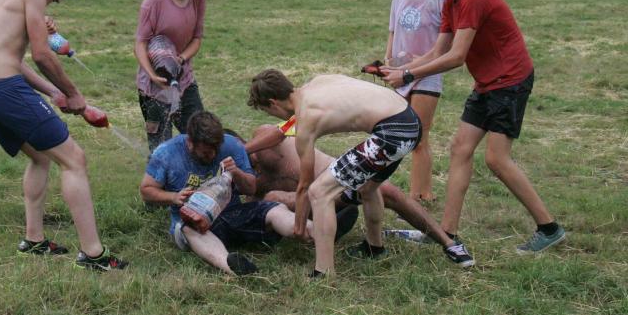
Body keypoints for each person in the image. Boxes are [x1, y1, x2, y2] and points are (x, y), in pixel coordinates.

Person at [381, 0, 565, 254]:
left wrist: (410, 76)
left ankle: (549, 228)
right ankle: (446, 232)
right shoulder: (451, 4)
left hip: (511, 81)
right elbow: (438, 51)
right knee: (460, 149)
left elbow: (455, 57)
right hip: (487, 83)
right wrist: (401, 69)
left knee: (496, 159)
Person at [0, 0, 127, 272]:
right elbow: (41, 55)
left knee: (41, 157)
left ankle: (34, 239)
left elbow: (14, 58)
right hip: (4, 89)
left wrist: (53, 92)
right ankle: (94, 254)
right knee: (74, 160)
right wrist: (73, 93)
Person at [248, 70, 474, 276]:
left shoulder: (307, 118)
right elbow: (285, 130)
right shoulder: (317, 83)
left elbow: (305, 186)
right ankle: (375, 248)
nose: (274, 116)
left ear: (273, 103)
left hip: (391, 132)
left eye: (267, 111)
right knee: (368, 187)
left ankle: (324, 271)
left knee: (320, 192)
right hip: (410, 121)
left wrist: (298, 226)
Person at [139, 111, 322, 275]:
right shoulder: (167, 152)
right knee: (188, 229)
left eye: (215, 151)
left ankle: (320, 234)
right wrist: (173, 197)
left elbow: (250, 189)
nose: (211, 156)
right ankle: (231, 266)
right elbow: (146, 190)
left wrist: (237, 172)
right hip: (195, 220)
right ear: (190, 143)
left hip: (233, 213)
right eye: (205, 152)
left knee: (274, 209)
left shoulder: (232, 145)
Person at [242, 119, 459, 252]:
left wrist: (245, 151)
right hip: (313, 206)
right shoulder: (247, 182)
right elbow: (255, 215)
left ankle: (446, 240)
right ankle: (330, 226)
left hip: (332, 181)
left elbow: (279, 129)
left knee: (386, 190)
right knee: (272, 199)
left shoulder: (264, 141)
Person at [384, 0, 445, 203]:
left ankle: (420, 196)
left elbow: (445, 44)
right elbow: (393, 30)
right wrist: (388, 58)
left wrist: (418, 65)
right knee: (400, 135)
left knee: (419, 137)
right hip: (399, 74)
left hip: (426, 74)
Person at [134, 0, 206, 152]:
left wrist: (180, 59)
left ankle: (196, 180)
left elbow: (197, 39)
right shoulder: (154, 1)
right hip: (154, 86)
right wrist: (153, 76)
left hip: (184, 80)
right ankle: (156, 183)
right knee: (161, 147)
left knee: (199, 135)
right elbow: (140, 44)